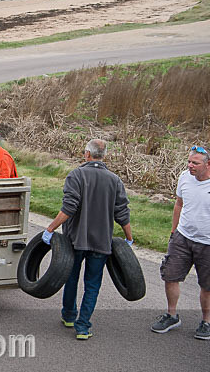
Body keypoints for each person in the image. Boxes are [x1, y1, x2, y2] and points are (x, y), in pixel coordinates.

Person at [43, 139, 133, 340]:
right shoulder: (114, 180)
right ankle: (82, 327)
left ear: (87, 154)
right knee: (92, 284)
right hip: (101, 243)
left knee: (71, 277)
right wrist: (129, 239)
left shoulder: (76, 175)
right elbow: (122, 213)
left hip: (75, 240)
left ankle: (68, 316)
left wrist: (50, 229)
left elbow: (69, 208)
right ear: (104, 155)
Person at [151, 146, 210, 340]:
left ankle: (206, 322)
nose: (190, 166)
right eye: (189, 161)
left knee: (207, 285)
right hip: (182, 238)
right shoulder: (185, 177)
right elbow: (179, 203)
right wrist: (173, 231)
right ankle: (171, 315)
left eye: (195, 163)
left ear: (208, 164)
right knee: (170, 275)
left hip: (207, 243)